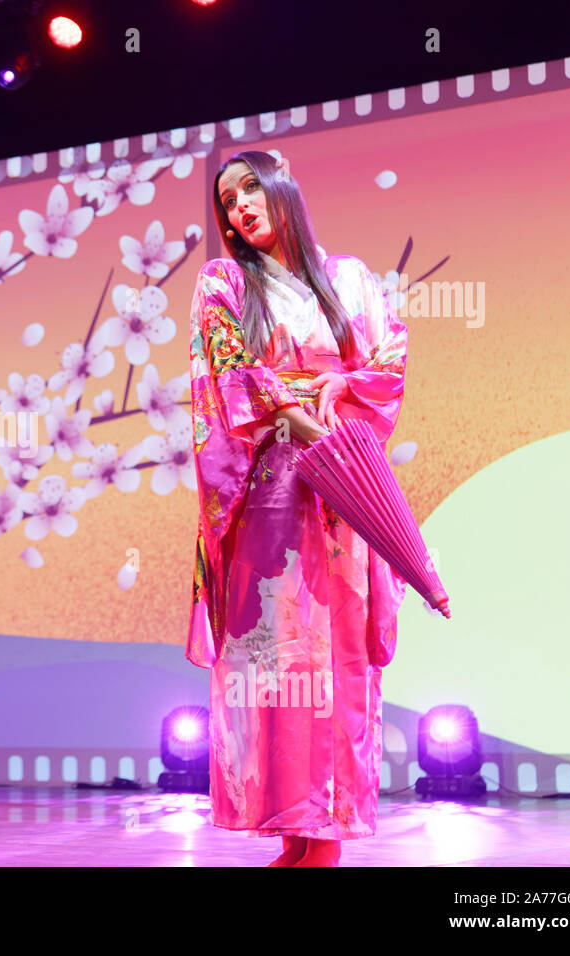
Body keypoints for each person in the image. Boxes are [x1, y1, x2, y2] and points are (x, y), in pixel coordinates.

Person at [186, 149, 409, 866]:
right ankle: (292, 830)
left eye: (250, 187)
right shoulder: (223, 281)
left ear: (283, 186)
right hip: (270, 493)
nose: (239, 207)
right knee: (279, 657)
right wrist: (301, 417)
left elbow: (386, 365)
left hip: (341, 494)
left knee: (337, 657)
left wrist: (332, 406)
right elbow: (230, 378)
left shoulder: (351, 279)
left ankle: (327, 834)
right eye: (227, 202)